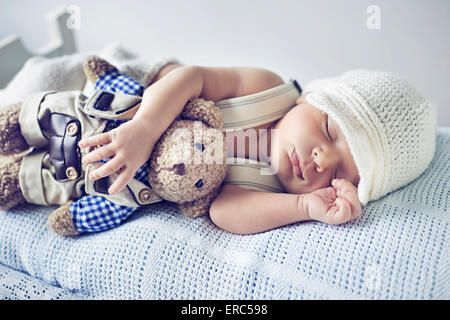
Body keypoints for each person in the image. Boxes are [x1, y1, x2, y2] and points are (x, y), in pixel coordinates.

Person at [79, 63, 436, 234]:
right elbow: (192, 77)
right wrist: (144, 127)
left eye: (343, 174)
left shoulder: (271, 188)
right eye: (329, 129)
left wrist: (303, 205)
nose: (323, 159)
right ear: (311, 98)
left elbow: (223, 210)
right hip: (140, 101)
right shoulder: (267, 90)